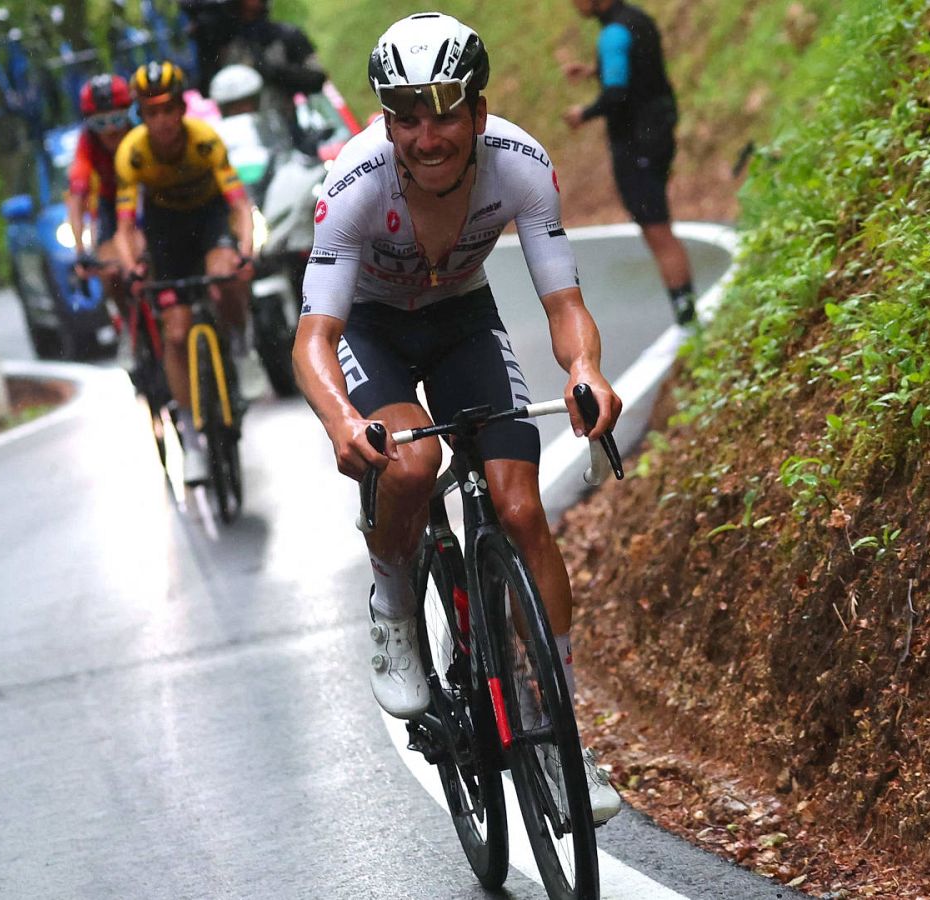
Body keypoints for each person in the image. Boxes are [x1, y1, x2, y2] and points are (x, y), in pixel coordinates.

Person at [291, 13, 623, 824]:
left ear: (479, 112)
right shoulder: (353, 183)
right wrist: (342, 421)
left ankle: (560, 727)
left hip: (463, 320)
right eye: (406, 115)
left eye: (445, 111)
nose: (427, 134)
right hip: (372, 328)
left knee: (519, 509)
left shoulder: (521, 167)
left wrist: (584, 370)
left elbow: (565, 303)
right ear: (385, 120)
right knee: (409, 466)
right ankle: (395, 605)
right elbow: (314, 339)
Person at [110, 60, 255, 486]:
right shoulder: (132, 152)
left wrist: (245, 250)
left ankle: (241, 349)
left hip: (208, 222)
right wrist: (133, 265)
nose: (161, 121)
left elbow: (240, 206)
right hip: (166, 232)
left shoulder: (205, 141)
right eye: (150, 112)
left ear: (181, 109)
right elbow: (124, 227)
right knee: (174, 332)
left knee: (227, 274)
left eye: (168, 110)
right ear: (141, 115)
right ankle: (191, 439)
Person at [562, 0, 696, 325]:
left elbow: (617, 93)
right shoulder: (638, 19)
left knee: (657, 228)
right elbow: (641, 67)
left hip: (636, 142)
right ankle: (687, 310)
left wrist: (584, 113)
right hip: (659, 131)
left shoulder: (612, 34)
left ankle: (687, 316)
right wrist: (595, 70)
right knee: (658, 223)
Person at [194, 0, 327, 152]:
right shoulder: (223, 46)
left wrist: (274, 72)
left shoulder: (285, 36)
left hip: (289, 136)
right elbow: (205, 90)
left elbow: (317, 78)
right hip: (242, 144)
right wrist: (205, 46)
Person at [67, 74, 138, 307]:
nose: (109, 132)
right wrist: (80, 250)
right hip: (112, 205)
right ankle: (128, 323)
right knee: (111, 271)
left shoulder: (141, 131)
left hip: (148, 197)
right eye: (99, 123)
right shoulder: (87, 143)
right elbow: (77, 197)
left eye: (116, 120)